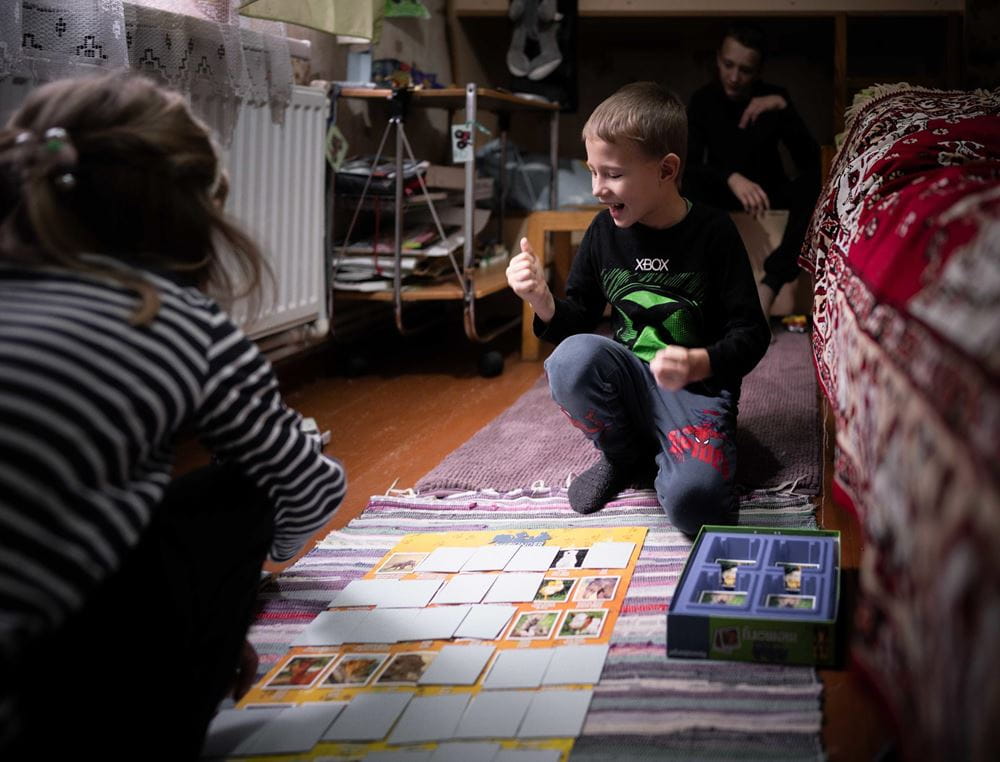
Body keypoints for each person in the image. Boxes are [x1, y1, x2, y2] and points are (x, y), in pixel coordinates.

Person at [0, 71, 347, 758]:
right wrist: (251, 581)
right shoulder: (177, 318)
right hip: (43, 719)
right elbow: (309, 488)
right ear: (192, 213)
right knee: (243, 487)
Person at [505, 81, 769, 534]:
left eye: (611, 174)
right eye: (592, 172)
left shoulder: (714, 233)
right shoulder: (603, 232)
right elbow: (580, 322)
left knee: (697, 507)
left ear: (666, 170)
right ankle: (626, 456)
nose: (596, 189)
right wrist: (542, 301)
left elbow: (752, 334)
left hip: (694, 392)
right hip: (630, 380)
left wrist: (699, 361)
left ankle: (681, 455)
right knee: (570, 360)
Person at [685, 23, 821, 315]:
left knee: (819, 182)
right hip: (722, 196)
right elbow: (690, 165)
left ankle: (769, 285)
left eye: (745, 70)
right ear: (718, 58)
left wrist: (783, 107)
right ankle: (709, 295)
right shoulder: (703, 101)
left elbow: (810, 161)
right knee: (683, 183)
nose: (734, 77)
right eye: (728, 65)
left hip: (769, 193)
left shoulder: (773, 98)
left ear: (758, 71)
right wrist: (729, 178)